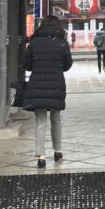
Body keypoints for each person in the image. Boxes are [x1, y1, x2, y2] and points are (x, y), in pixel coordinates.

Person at [23, 14, 72, 169]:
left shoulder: (34, 42)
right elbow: (67, 65)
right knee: (56, 118)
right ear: (57, 26)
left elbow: (27, 65)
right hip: (56, 83)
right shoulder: (62, 43)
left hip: (37, 83)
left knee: (40, 121)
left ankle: (41, 156)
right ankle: (58, 150)